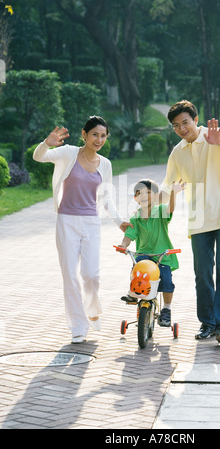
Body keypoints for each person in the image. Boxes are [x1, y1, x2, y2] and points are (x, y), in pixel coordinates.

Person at [33, 116, 132, 344]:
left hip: (90, 223)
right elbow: (39, 157)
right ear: (84, 134)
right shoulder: (68, 153)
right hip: (66, 221)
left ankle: (92, 309)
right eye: (95, 134)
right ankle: (78, 327)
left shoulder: (105, 164)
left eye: (103, 136)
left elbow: (106, 198)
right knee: (70, 275)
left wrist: (119, 222)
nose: (99, 139)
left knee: (91, 275)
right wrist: (46, 143)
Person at [160, 100, 220, 343]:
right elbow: (167, 185)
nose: (182, 128)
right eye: (176, 125)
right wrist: (147, 203)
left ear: (195, 120)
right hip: (199, 219)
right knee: (202, 273)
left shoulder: (216, 135)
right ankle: (207, 323)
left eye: (185, 122)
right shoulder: (177, 153)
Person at [118, 179, 185, 327]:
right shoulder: (135, 218)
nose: (144, 196)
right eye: (139, 193)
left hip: (162, 256)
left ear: (156, 196)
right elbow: (129, 236)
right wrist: (123, 246)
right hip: (144, 255)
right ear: (135, 198)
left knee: (167, 282)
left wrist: (174, 192)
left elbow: (171, 209)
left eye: (148, 193)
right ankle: (133, 293)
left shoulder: (160, 211)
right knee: (137, 270)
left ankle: (166, 309)